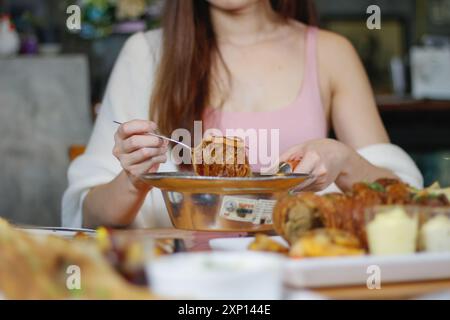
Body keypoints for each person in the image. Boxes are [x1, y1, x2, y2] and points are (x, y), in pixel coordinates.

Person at [62, 0, 422, 228]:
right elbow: (90, 217)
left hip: (301, 276)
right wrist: (133, 179)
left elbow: (404, 202)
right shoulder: (145, 55)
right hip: (179, 283)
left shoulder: (332, 53)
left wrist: (344, 160)